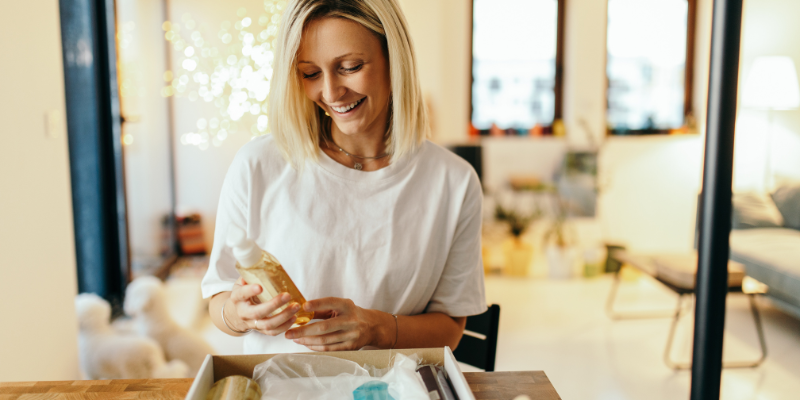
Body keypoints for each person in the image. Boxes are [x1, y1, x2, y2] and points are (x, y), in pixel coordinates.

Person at [201, 0, 486, 354]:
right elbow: (218, 298)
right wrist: (238, 314)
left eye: (350, 67)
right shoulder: (258, 164)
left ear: (393, 59)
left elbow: (451, 328)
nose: (332, 93)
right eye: (310, 74)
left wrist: (379, 328)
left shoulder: (453, 183)